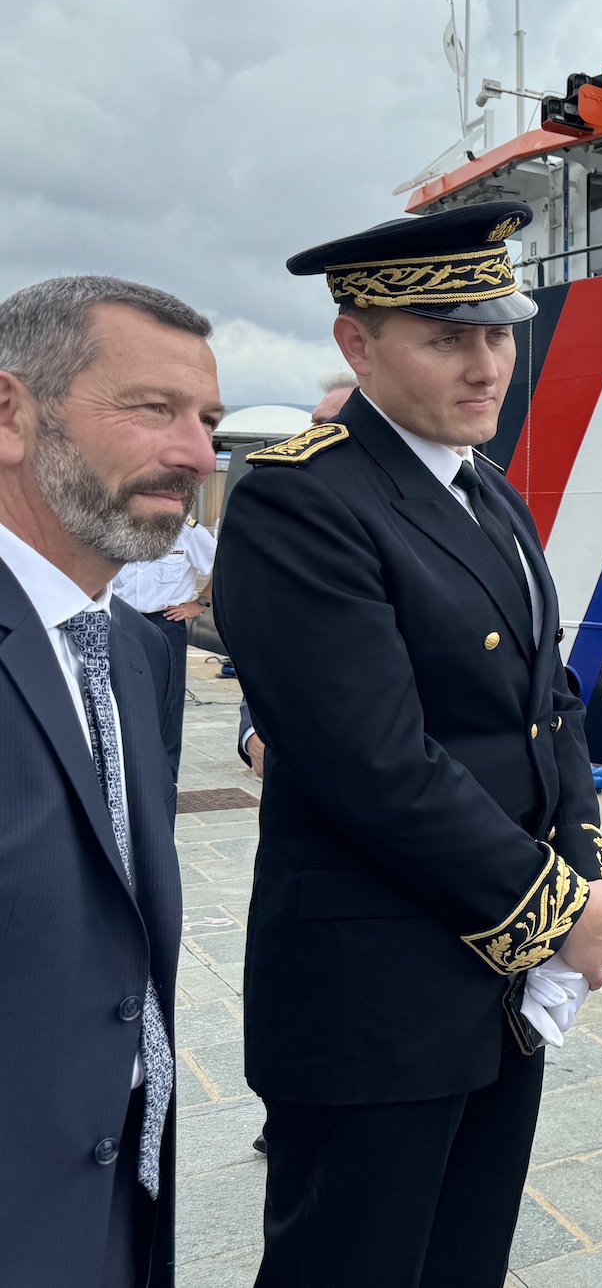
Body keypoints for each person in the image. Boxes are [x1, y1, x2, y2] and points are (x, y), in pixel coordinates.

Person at [213, 201, 602, 1287]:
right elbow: (375, 766)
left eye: (499, 331)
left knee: (462, 1263)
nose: (488, 363)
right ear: (357, 342)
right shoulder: (301, 499)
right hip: (376, 999)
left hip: (496, 991)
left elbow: (555, 705)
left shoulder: (487, 491)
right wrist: (556, 910)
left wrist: (588, 870)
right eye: (449, 336)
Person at [0, 276, 222, 1285]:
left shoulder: (124, 648)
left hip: (120, 1198)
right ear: (11, 414)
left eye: (206, 420)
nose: (198, 456)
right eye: (153, 410)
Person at [232, 373, 356, 783]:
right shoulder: (286, 513)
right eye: (314, 424)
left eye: (330, 425)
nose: (313, 438)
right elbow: (262, 639)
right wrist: (253, 729)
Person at [109, 513, 215, 779]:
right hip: (120, 620)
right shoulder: (115, 524)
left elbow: (226, 564)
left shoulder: (187, 531)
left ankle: (164, 780)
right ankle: (122, 774)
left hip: (165, 623)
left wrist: (200, 603)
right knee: (117, 700)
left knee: (165, 707)